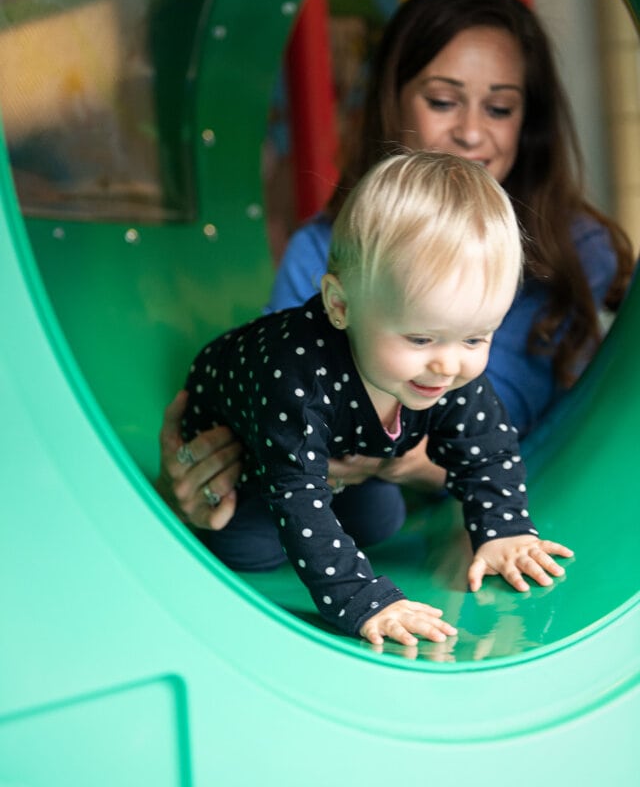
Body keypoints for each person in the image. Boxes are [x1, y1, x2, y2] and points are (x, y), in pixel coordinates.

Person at [158, 0, 634, 531]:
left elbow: (601, 435)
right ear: (394, 102)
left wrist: (431, 463)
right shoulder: (325, 253)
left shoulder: (576, 256)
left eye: (500, 108)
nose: (473, 132)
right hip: (381, 525)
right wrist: (202, 477)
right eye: (442, 101)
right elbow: (286, 424)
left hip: (525, 519)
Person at [177, 151, 573, 646]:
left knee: (381, 519)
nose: (449, 365)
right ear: (341, 306)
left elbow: (487, 447)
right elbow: (297, 494)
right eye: (420, 339)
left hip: (344, 447)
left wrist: (502, 530)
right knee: (252, 549)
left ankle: (349, 502)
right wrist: (365, 600)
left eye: (476, 339)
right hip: (248, 446)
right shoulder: (298, 375)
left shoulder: (446, 367)